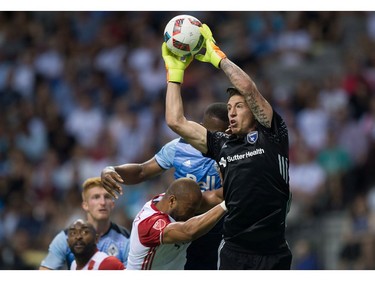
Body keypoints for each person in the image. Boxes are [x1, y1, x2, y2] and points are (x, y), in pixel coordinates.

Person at [162, 23, 293, 270]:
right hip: (234, 249)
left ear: (254, 112)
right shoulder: (222, 143)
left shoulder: (273, 134)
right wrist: (174, 72)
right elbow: (175, 121)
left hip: (273, 250)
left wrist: (216, 56)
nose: (231, 113)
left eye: (239, 107)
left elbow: (248, 89)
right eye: (229, 108)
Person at [101, 102, 229, 270]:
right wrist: (112, 170)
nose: (218, 140)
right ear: (201, 128)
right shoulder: (179, 148)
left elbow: (217, 197)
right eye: (214, 134)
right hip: (178, 225)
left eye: (224, 135)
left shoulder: (235, 153)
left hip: (213, 227)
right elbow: (142, 171)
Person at [126, 177, 227, 270]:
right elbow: (188, 232)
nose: (192, 215)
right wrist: (225, 205)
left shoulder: (182, 200)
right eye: (190, 210)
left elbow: (217, 197)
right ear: (172, 201)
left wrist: (238, 187)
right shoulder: (149, 224)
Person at [39, 177, 130, 270]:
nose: (102, 202)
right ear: (85, 205)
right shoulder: (66, 237)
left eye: (107, 197)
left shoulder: (126, 239)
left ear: (112, 204)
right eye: (96, 197)